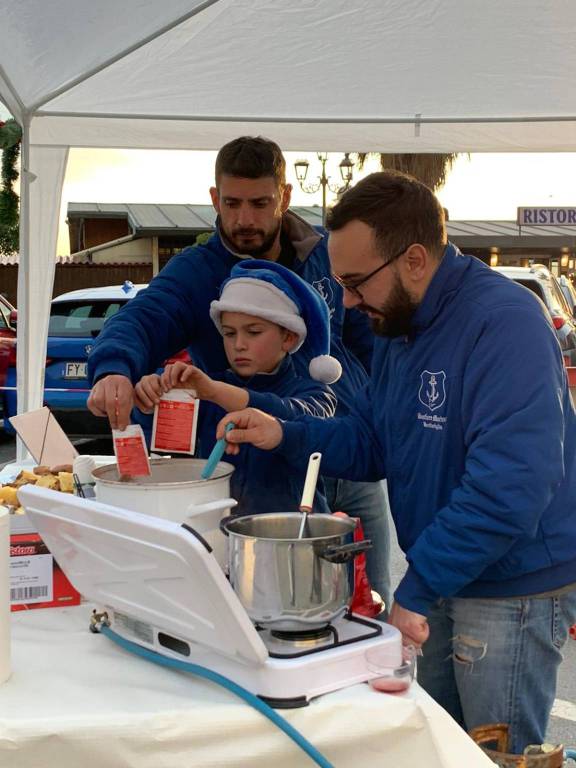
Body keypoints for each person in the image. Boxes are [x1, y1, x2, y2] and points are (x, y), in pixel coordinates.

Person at [214, 171, 576, 753]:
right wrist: (282, 432)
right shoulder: (397, 323)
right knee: (435, 747)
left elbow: (512, 483)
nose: (350, 303)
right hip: (446, 575)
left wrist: (415, 588)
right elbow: (378, 441)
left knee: (497, 759)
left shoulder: (504, 322)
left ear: (413, 259)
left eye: (357, 283)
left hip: (513, 590)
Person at [87, 136, 392, 609]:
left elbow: (379, 338)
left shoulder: (329, 257)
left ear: (285, 197)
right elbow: (140, 319)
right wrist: (117, 371)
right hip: (252, 473)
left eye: (260, 203)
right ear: (215, 199)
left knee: (370, 604)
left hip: (348, 453)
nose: (245, 219)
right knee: (258, 600)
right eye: (232, 203)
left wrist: (387, 414)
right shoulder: (197, 271)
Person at [134, 259, 340, 516]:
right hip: (220, 533)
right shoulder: (205, 390)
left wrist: (216, 392)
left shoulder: (314, 392)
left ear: (289, 337)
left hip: (291, 536)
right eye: (229, 334)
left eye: (253, 332)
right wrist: (151, 400)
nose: (239, 344)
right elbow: (159, 439)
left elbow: (296, 418)